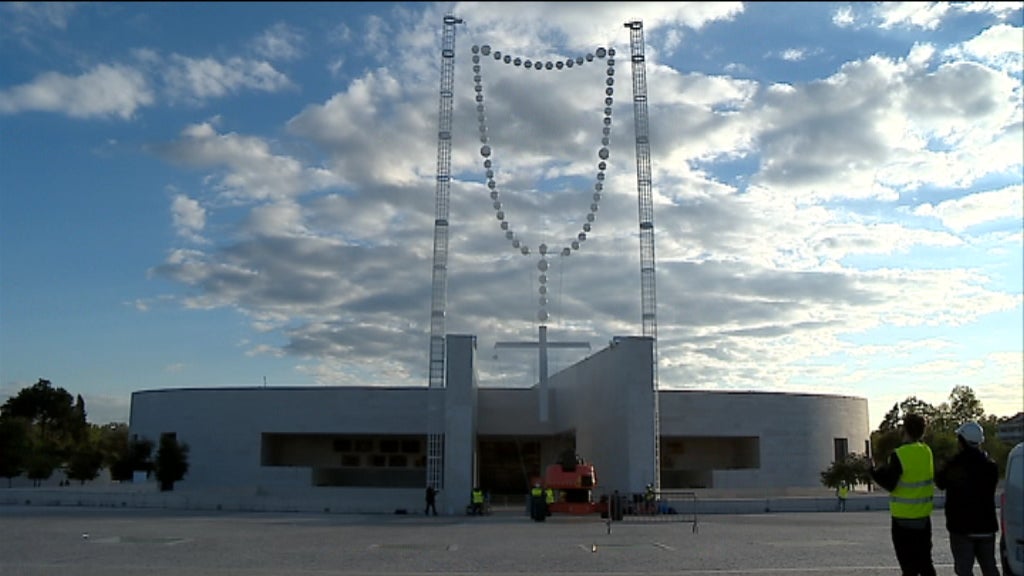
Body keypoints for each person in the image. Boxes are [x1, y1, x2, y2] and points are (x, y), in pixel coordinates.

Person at [870, 413, 937, 576]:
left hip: (903, 519)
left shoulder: (899, 454)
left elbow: (890, 484)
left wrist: (873, 472)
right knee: (926, 563)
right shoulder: (927, 451)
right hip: (923, 516)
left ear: (904, 430)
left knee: (909, 567)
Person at [934, 421, 1001, 576]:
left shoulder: (955, 465)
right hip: (986, 526)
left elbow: (940, 482)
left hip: (961, 527)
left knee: (964, 570)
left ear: (962, 441)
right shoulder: (991, 467)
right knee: (990, 567)